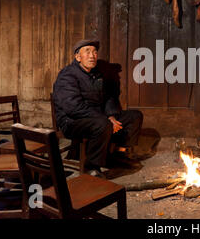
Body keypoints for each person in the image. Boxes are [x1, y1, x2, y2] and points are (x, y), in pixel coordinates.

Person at [52, 39, 143, 175]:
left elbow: (107, 98)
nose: (92, 55)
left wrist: (111, 115)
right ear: (78, 57)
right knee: (102, 124)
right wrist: (105, 119)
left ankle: (118, 154)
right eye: (87, 51)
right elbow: (73, 107)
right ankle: (91, 167)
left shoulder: (96, 75)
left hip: (97, 117)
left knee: (134, 116)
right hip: (71, 121)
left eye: (94, 52)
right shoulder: (67, 75)